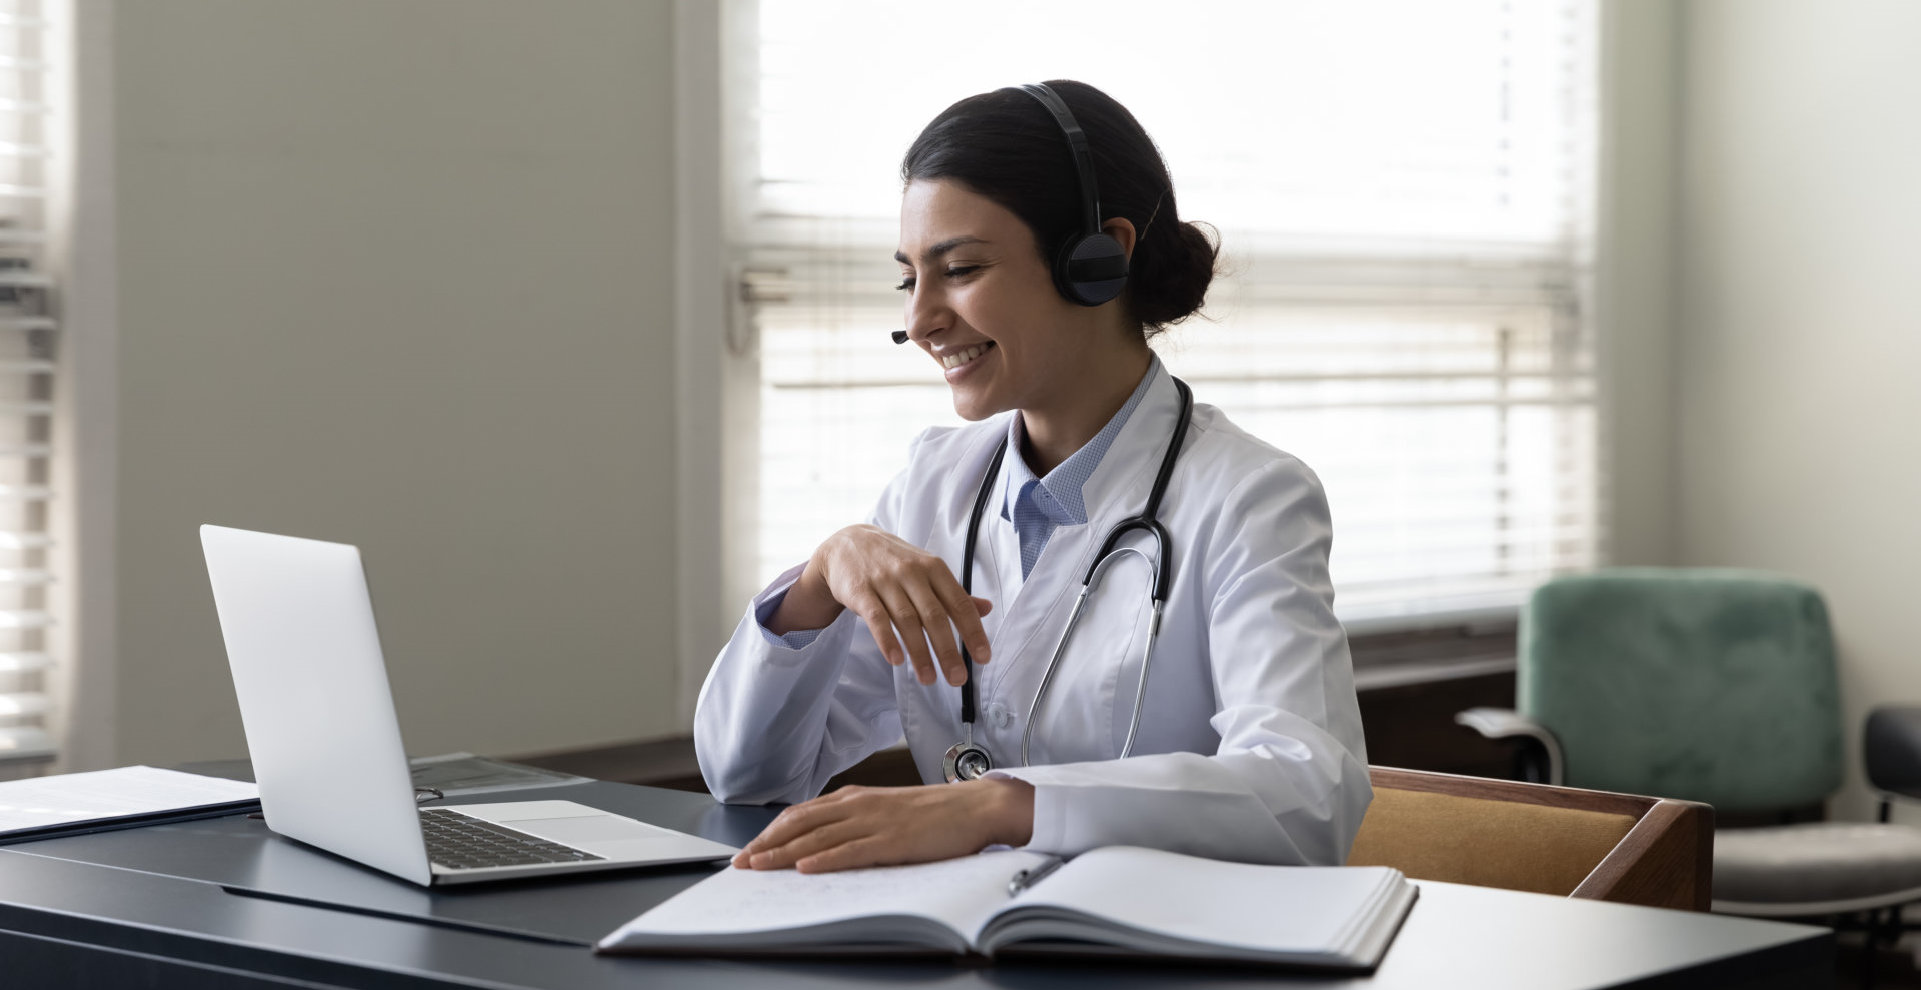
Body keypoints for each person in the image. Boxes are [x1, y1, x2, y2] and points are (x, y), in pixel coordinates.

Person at [696, 80, 1369, 875]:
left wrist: (1003, 805)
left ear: (1099, 258)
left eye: (962, 268)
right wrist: (817, 581)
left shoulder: (1249, 497)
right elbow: (749, 777)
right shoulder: (932, 486)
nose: (919, 321)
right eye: (909, 278)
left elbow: (1306, 793)